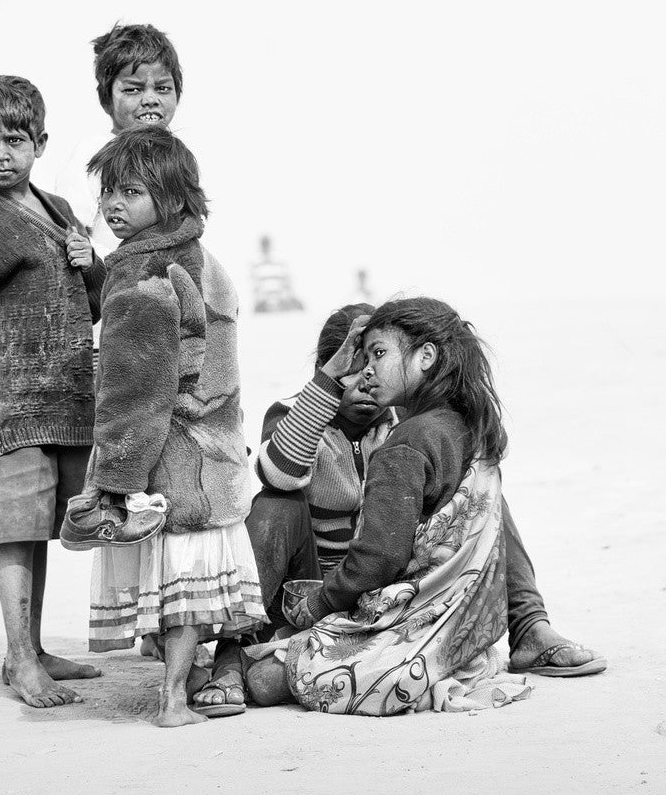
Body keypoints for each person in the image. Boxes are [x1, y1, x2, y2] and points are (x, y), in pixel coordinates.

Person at [195, 303, 606, 713]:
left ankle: (530, 626)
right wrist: (326, 387)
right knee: (274, 505)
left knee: (483, 499)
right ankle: (232, 654)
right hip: (308, 583)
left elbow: (391, 548)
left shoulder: (403, 424)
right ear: (326, 371)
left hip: (378, 580)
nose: (365, 381)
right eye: (351, 370)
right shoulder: (296, 413)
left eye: (374, 364)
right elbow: (279, 474)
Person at [58, 126, 267, 727]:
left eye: (131, 192)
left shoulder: (146, 273)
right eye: (108, 192)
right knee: (193, 585)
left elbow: (136, 388)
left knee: (179, 581)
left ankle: (173, 698)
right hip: (215, 447)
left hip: (173, 452)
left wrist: (114, 481)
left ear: (171, 199)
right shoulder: (200, 259)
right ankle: (186, 685)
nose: (113, 205)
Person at [0, 75, 106, 709]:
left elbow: (93, 306)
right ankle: (20, 658)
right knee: (14, 530)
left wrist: (95, 266)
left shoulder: (60, 210)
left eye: (15, 140)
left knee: (42, 530)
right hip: (10, 407)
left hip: (68, 399)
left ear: (40, 143)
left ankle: (32, 649)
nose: (1, 154)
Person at [46, 23, 183, 251]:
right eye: (133, 89)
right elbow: (67, 232)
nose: (150, 99)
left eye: (162, 88)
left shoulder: (176, 158)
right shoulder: (94, 153)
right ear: (106, 100)